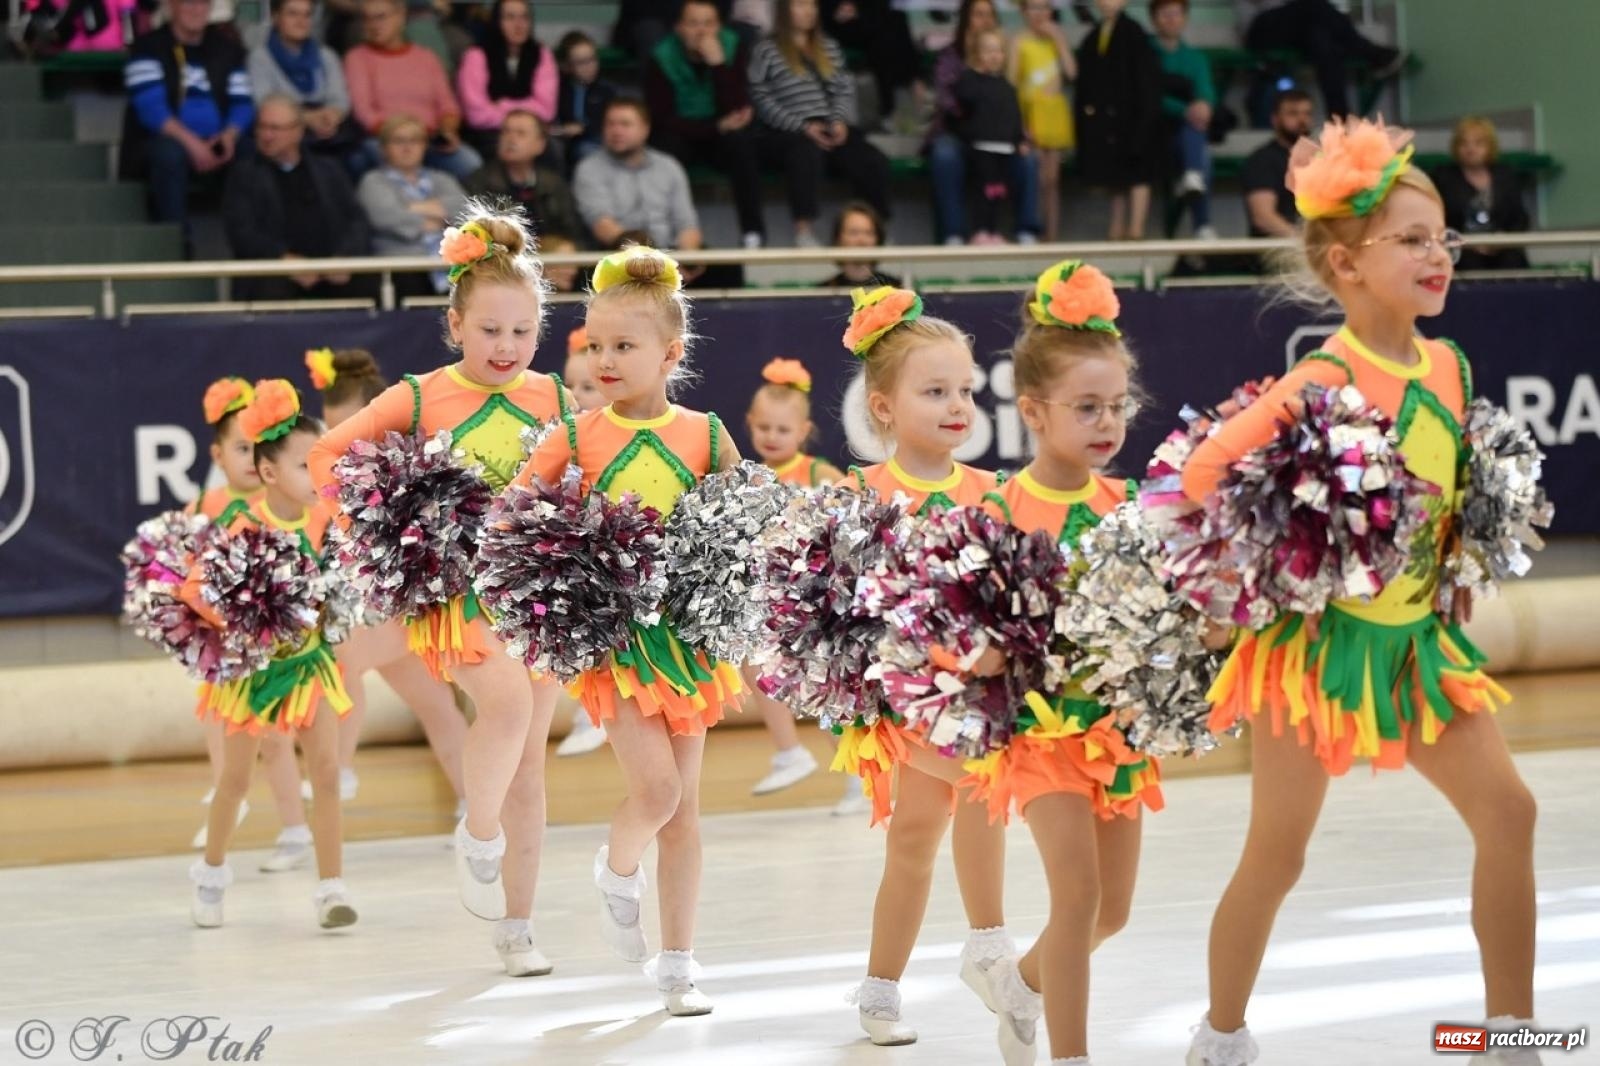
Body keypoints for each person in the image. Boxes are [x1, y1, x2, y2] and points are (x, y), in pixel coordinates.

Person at [1181, 118, 1535, 1066]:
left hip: (1418, 647)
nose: (1440, 255)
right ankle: (1219, 1037)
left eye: (1446, 237)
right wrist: (1253, 576)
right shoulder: (1324, 376)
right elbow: (1201, 474)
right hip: (1317, 656)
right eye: (1414, 240)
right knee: (1279, 855)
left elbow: (1447, 492)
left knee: (1511, 812)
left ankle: (1510, 1036)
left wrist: (1455, 564)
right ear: (1346, 263)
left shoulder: (1450, 366)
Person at [310, 204, 573, 976]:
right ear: (456, 324)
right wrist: (390, 521)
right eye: (490, 330)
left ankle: (517, 928)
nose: (507, 347)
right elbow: (330, 458)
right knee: (507, 706)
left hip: (534, 595)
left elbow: (586, 476)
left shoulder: (555, 399)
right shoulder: (419, 396)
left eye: (522, 331)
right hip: (454, 594)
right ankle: (477, 830)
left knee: (530, 765)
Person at [515, 246, 745, 1015]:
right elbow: (509, 525)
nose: (605, 359)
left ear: (670, 353)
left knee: (685, 811)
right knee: (657, 789)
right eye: (594, 345)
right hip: (613, 645)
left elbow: (744, 531)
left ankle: (678, 962)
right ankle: (617, 869)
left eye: (624, 346)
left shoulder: (709, 436)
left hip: (688, 643)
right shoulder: (573, 439)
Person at [972, 259, 1162, 1065]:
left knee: (1111, 909)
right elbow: (969, 628)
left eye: (1116, 406)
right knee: (1077, 895)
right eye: (1088, 407)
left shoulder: (1131, 507)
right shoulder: (999, 509)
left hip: (1117, 729)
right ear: (1035, 411)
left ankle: (1020, 984)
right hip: (1041, 729)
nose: (1106, 422)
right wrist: (980, 653)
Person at [831, 286, 1011, 1047]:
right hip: (898, 698)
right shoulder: (859, 497)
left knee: (913, 838)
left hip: (974, 693)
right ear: (882, 406)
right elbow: (829, 604)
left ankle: (879, 990)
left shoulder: (995, 494)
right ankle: (990, 945)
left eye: (965, 391)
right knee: (977, 784)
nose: (957, 406)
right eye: (934, 391)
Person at [183, 380, 356, 931]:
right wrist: (241, 615)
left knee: (326, 773)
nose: (318, 477)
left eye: (322, 463)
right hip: (251, 671)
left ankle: (331, 889)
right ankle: (211, 874)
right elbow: (194, 588)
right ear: (269, 473)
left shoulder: (327, 521)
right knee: (235, 781)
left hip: (310, 666)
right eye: (305, 466)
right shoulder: (243, 525)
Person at [304, 347, 469, 813]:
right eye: (333, 428)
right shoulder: (329, 468)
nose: (344, 439)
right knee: (433, 705)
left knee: (348, 666)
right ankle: (471, 803)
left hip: (397, 599)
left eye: (352, 426)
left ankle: (342, 767)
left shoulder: (407, 462)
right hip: (359, 597)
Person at [187, 379, 311, 869]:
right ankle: (227, 808)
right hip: (227, 648)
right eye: (238, 448)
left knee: (277, 740)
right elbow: (192, 576)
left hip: (276, 646)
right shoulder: (204, 509)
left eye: (254, 448)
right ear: (218, 455)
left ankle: (296, 829)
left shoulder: (276, 505)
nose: (247, 458)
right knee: (221, 732)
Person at [741, 357, 842, 797]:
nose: (771, 437)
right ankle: (789, 752)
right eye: (764, 428)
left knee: (823, 686)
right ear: (750, 424)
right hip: (773, 596)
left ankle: (855, 771)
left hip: (814, 597)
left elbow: (853, 517)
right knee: (756, 666)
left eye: (782, 430)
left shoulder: (818, 474)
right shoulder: (751, 478)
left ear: (802, 432)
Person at [748, 0, 893, 247]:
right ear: (785, 10)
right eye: (801, 5)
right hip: (789, 131)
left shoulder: (829, 47)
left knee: (872, 159)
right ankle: (804, 231)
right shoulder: (766, 50)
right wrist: (800, 126)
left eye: (812, 6)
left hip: (830, 125)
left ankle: (877, 231)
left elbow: (843, 89)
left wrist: (838, 121)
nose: (809, 11)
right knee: (803, 153)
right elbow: (759, 96)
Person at [120, 0, 254, 245]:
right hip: (166, 141)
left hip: (216, 140)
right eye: (188, 3)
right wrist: (193, 144)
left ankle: (250, 243)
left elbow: (242, 103)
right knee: (169, 154)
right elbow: (151, 110)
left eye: (203, 3)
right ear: (171, 7)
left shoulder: (229, 49)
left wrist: (229, 136)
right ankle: (176, 243)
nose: (196, 9)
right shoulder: (147, 46)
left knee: (251, 151)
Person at [222, 96, 371, 302]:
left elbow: (357, 221)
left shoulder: (329, 169)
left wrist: (344, 257)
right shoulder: (244, 175)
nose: (266, 136)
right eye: (262, 128)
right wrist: (283, 259)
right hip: (276, 270)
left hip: (330, 268)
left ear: (298, 131)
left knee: (368, 285)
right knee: (271, 288)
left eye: (275, 128)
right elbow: (242, 233)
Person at [645, 0, 766, 250]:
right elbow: (661, 119)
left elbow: (738, 109)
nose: (701, 32)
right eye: (693, 23)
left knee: (742, 142)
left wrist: (718, 64)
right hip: (682, 135)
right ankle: (670, 236)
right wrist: (715, 127)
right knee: (666, 145)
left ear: (719, 27)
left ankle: (753, 233)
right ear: (679, 28)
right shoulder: (662, 56)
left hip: (721, 138)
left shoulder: (733, 46)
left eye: (709, 24)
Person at [344, 0, 482, 181]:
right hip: (385, 140)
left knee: (470, 163)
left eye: (380, 17)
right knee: (373, 156)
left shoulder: (427, 57)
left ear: (401, 17)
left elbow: (448, 105)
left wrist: (447, 131)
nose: (373, 25)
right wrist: (405, 136)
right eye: (367, 19)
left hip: (430, 140)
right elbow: (364, 112)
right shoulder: (357, 58)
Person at [552, 324, 609, 759]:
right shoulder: (564, 438)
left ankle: (594, 714)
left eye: (587, 386)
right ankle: (588, 712)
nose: (575, 395)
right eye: (569, 385)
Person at [1072, 0, 1163, 241]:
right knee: (1116, 177)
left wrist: (1145, 118)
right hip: (1108, 121)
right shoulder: (1095, 35)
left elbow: (1146, 82)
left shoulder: (1134, 33)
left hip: (1134, 117)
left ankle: (1136, 228)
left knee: (1138, 172)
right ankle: (1116, 227)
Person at [357, 114, 470, 298]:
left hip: (451, 265)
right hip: (400, 266)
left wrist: (408, 207)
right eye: (398, 141)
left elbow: (464, 212)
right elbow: (388, 218)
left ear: (425, 146)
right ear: (383, 148)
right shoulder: (373, 181)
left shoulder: (442, 178)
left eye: (415, 140)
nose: (407, 147)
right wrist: (441, 218)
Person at [572, 98, 703, 253]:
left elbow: (687, 224)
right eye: (610, 124)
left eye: (625, 124)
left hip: (669, 254)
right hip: (617, 254)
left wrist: (687, 259)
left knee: (722, 268)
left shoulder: (668, 166)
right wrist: (646, 260)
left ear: (645, 129)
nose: (616, 131)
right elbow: (602, 225)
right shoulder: (589, 168)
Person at [1237, 0, 1405, 120]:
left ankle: (1339, 117)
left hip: (1295, 25)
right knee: (1315, 6)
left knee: (1322, 41)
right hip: (1258, 28)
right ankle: (1371, 52)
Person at [248, 0, 361, 166]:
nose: (301, 21)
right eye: (293, 14)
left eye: (307, 15)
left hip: (327, 130)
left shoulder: (326, 55)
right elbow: (263, 101)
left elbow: (339, 99)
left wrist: (332, 116)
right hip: (284, 128)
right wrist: (307, 119)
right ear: (276, 17)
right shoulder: (260, 58)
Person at [953, 28, 1031, 244]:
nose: (993, 55)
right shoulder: (970, 80)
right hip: (981, 147)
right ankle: (980, 230)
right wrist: (975, 72)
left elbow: (1015, 116)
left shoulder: (1008, 87)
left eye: (998, 51)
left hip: (1004, 148)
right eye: (987, 51)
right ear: (978, 55)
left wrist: (1019, 140)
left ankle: (993, 230)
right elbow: (963, 98)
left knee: (998, 191)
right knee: (983, 190)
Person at [455, 0, 559, 158]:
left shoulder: (542, 54)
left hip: (529, 131)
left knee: (550, 149)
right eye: (510, 17)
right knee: (506, 148)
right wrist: (525, 109)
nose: (519, 25)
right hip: (488, 134)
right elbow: (476, 116)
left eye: (524, 17)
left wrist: (502, 105)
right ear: (497, 21)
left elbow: (546, 110)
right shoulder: (476, 56)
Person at [1151, 0, 1218, 240]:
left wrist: (1204, 107)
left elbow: (1206, 93)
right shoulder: (1145, 53)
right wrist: (1184, 109)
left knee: (1200, 151)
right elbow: (1148, 95)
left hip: (1187, 132)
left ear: (1185, 18)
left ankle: (1201, 224)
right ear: (1154, 18)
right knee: (1198, 147)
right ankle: (1202, 223)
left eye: (1176, 14)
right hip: (1153, 131)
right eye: (1165, 14)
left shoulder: (1195, 57)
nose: (1171, 19)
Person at [1430, 116, 1531, 272]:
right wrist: (1467, 241)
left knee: (1512, 260)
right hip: (1462, 247)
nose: (1471, 149)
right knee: (1469, 261)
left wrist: (1502, 239)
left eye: (1478, 143)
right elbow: (1438, 219)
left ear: (1490, 146)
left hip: (1501, 245)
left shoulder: (1505, 175)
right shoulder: (1443, 177)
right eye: (1464, 143)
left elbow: (1519, 218)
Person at [467, 111, 584, 244]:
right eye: (506, 132)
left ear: (540, 145)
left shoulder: (554, 184)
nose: (510, 139)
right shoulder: (479, 182)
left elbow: (575, 236)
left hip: (552, 258)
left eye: (520, 133)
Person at [1011, 0, 1075, 242]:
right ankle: (1032, 229)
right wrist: (1020, 123)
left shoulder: (1055, 40)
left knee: (1052, 179)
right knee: (1036, 177)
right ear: (1024, 12)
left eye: (1044, 8)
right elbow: (1012, 83)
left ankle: (1052, 234)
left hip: (1054, 115)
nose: (1039, 14)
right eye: (1033, 8)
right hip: (1031, 114)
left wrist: (1059, 40)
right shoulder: (1018, 41)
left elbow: (1071, 72)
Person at [1241, 87, 1313, 239]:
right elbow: (1263, 217)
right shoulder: (1262, 160)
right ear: (1275, 119)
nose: (1302, 120)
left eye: (1307, 113)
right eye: (1293, 113)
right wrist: (1304, 244)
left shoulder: (1319, 159)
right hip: (1277, 249)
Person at [552, 31, 617, 170]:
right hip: (568, 143)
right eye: (581, 62)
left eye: (592, 59)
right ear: (566, 66)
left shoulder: (606, 90)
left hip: (598, 141)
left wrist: (583, 128)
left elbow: (610, 122)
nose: (589, 66)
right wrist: (561, 129)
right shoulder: (559, 90)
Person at [820, 201, 901, 289]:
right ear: (838, 239)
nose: (862, 241)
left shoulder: (895, 288)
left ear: (878, 239)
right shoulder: (821, 291)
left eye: (869, 233)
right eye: (853, 233)